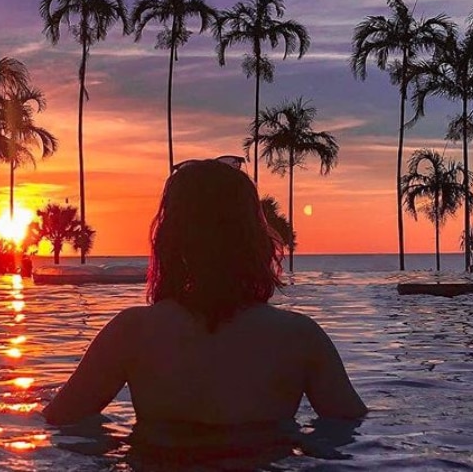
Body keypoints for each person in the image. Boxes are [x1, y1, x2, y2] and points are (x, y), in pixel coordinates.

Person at [42, 157, 366, 429]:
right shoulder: (300, 337)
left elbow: (61, 420)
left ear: (170, 240)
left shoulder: (132, 333)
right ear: (254, 239)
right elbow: (350, 430)